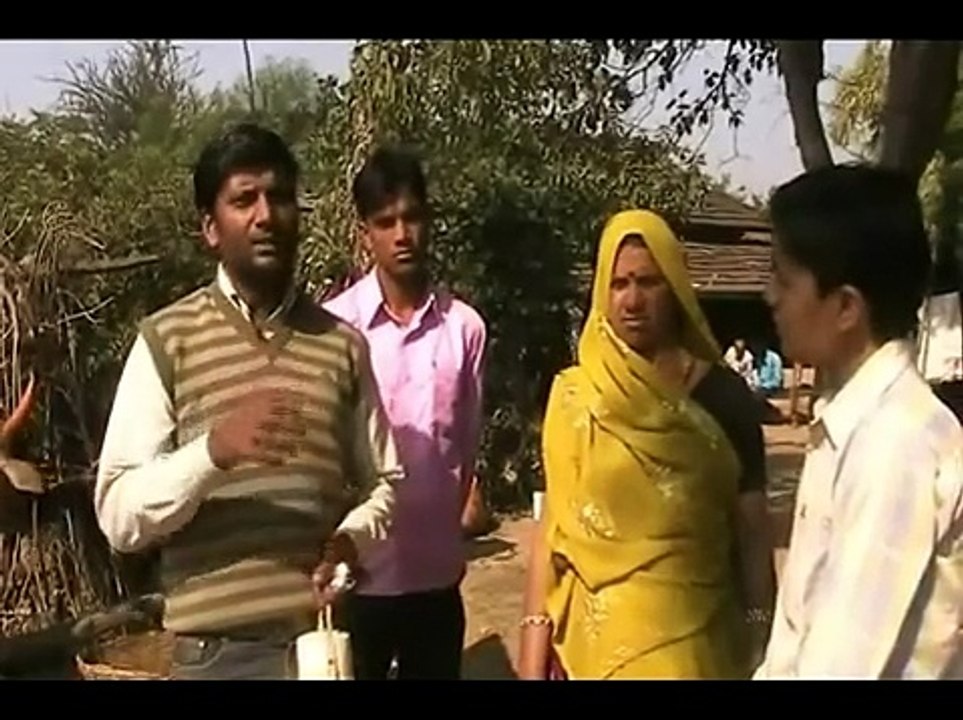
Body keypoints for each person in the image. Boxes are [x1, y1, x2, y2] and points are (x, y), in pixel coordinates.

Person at [94, 123, 402, 680]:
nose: (266, 215)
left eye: (279, 197)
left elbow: (385, 483)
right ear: (210, 228)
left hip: (320, 651)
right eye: (244, 200)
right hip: (215, 656)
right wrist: (212, 453)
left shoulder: (343, 346)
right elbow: (118, 515)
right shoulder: (168, 339)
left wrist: (350, 542)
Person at [518, 209, 774, 680]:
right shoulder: (576, 399)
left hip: (699, 652)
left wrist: (761, 639)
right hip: (591, 658)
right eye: (619, 284)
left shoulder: (724, 398)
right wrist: (531, 661)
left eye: (648, 282)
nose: (632, 300)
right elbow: (552, 534)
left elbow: (753, 533)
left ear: (674, 287)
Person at [755, 163, 963, 679]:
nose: (770, 296)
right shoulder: (853, 425)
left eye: (784, 279)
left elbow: (841, 664)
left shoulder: (895, 443)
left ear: (846, 307)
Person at [323, 146, 487, 680]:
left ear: (428, 221)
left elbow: (464, 447)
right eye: (385, 222)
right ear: (364, 232)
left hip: (436, 580)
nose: (402, 234)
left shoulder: (464, 328)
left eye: (412, 217)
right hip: (358, 580)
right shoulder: (335, 329)